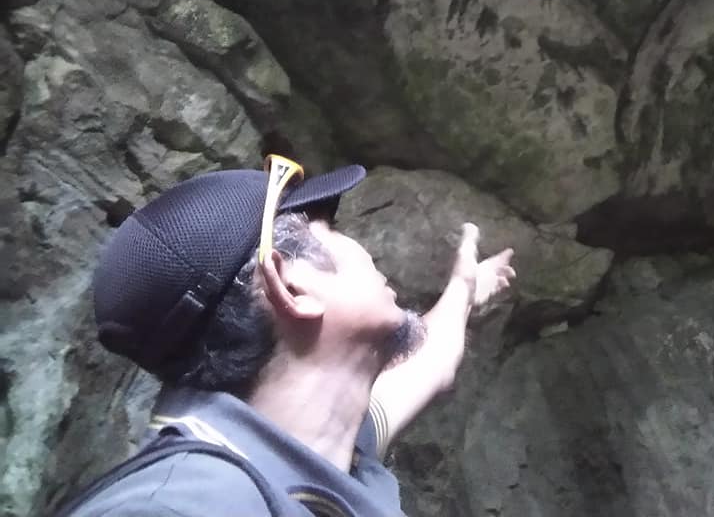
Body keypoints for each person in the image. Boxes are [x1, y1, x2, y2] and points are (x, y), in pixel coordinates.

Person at [61, 155, 516, 516]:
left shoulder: (325, 451)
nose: (360, 249)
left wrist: (465, 288)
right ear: (290, 286)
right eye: (330, 231)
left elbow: (431, 363)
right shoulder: (179, 506)